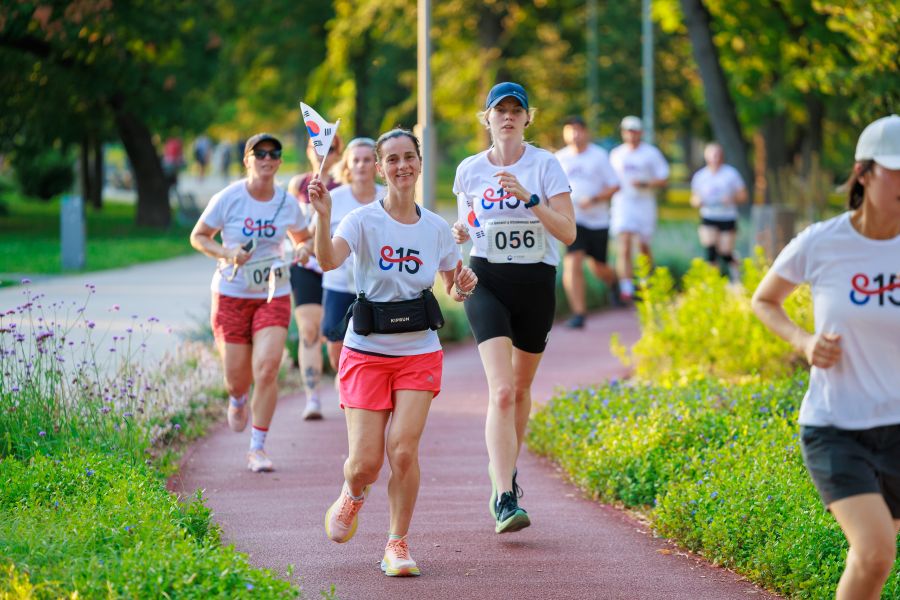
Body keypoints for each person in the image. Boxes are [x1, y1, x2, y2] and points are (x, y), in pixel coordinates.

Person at [309, 128, 477, 577]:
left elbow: (452, 286)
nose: (402, 166)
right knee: (365, 462)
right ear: (380, 169)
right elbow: (327, 261)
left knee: (403, 451)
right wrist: (323, 216)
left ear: (419, 164)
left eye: (409, 158)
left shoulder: (438, 228)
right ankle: (353, 492)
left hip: (419, 350)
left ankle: (397, 544)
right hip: (366, 350)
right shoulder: (361, 220)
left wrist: (462, 285)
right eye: (393, 160)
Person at [751, 114, 900, 600]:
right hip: (836, 427)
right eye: (896, 170)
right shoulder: (823, 241)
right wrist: (803, 342)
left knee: (871, 564)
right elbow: (763, 300)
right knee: (877, 551)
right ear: (864, 173)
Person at [452, 82, 575, 534]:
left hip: (535, 283)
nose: (507, 116)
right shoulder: (468, 170)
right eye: (499, 110)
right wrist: (460, 237)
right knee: (501, 391)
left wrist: (529, 198)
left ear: (528, 118)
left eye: (515, 110)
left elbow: (568, 233)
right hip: (487, 280)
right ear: (486, 118)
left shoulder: (545, 165)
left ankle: (506, 468)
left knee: (521, 391)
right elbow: (466, 222)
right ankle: (504, 494)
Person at [189, 133, 309, 473]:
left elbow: (304, 239)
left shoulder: (287, 204)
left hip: (273, 293)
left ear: (280, 161)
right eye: (260, 153)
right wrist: (228, 253)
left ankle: (257, 447)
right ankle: (238, 398)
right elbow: (198, 236)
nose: (267, 158)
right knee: (237, 378)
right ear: (247, 159)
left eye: (274, 153)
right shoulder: (229, 198)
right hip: (231, 294)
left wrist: (302, 250)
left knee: (268, 368)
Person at [314, 138, 385, 380]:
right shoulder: (334, 197)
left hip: (378, 285)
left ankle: (362, 390)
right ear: (347, 165)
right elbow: (318, 238)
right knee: (336, 352)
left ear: (377, 165)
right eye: (356, 160)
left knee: (377, 346)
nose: (362, 165)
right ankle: (346, 378)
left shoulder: (389, 197)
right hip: (338, 283)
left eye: (367, 160)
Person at [287, 135, 343, 420]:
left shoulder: (345, 187)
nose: (323, 154)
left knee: (335, 336)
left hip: (338, 268)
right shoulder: (297, 184)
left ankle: (343, 381)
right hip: (306, 266)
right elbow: (293, 227)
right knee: (309, 329)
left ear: (338, 153)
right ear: (308, 150)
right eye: (317, 147)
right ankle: (312, 398)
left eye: (330, 149)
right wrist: (299, 245)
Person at [555, 115, 622, 328]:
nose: (574, 134)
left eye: (578, 129)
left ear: (586, 132)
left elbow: (614, 185)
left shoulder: (599, 156)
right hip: (572, 220)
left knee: (598, 267)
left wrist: (594, 199)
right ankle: (579, 314)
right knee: (573, 261)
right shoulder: (559, 158)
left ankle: (614, 282)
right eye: (570, 129)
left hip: (597, 221)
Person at [608, 116, 669, 302]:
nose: (631, 134)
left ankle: (647, 280)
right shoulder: (616, 154)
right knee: (624, 243)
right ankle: (626, 288)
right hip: (623, 203)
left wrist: (646, 183)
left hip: (644, 203)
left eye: (634, 131)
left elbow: (663, 178)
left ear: (640, 132)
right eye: (627, 131)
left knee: (643, 246)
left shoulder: (650, 153)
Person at [689, 142, 747, 281]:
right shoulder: (700, 176)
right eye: (712, 154)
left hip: (727, 216)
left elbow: (743, 196)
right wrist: (697, 201)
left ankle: (735, 265)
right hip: (708, 215)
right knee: (710, 249)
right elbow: (694, 198)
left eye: (717, 154)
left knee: (725, 251)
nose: (715, 158)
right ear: (706, 156)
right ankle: (713, 281)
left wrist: (732, 198)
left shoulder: (731, 174)